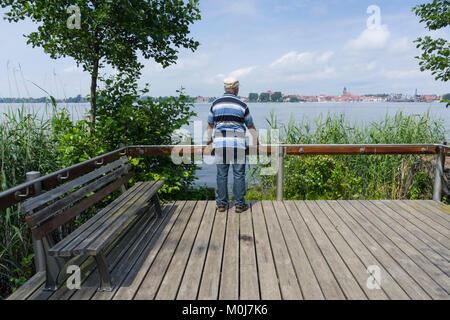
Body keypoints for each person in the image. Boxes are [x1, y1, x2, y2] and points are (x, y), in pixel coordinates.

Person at [206, 77, 258, 213]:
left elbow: (210, 124)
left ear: (225, 88)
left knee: (221, 175)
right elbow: (250, 125)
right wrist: (256, 141)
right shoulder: (242, 105)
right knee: (239, 174)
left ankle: (222, 204)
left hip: (220, 144)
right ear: (236, 89)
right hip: (238, 144)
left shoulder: (215, 104)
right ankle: (240, 204)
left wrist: (208, 140)